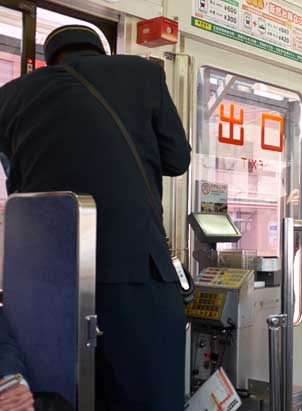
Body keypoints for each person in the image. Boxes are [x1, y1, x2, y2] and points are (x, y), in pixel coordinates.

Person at [0, 26, 191, 411]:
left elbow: (16, 182)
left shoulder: (9, 96)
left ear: (47, 60)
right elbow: (177, 159)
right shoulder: (143, 73)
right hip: (136, 275)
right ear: (102, 51)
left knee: (64, 394)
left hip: (47, 286)